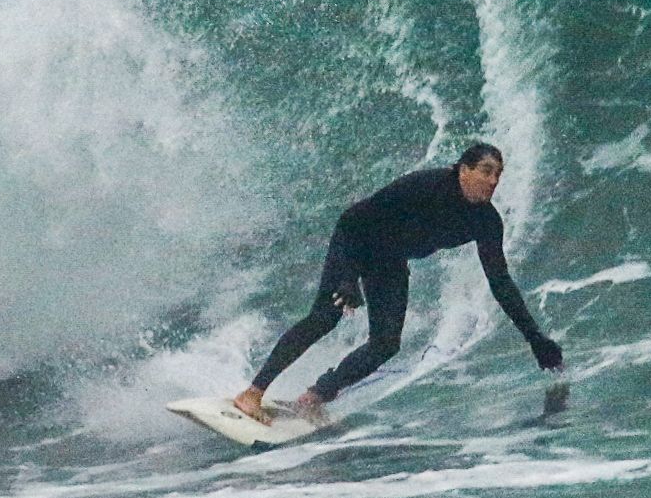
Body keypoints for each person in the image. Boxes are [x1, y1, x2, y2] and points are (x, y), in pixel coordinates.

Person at [235, 142, 564, 420]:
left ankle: (315, 396)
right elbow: (355, 220)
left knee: (386, 344)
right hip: (355, 240)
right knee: (325, 317)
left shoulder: (486, 221)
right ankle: (253, 392)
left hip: (389, 260)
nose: (493, 181)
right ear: (464, 170)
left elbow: (500, 282)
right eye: (486, 171)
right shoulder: (426, 186)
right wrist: (348, 277)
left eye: (498, 175)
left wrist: (534, 337)